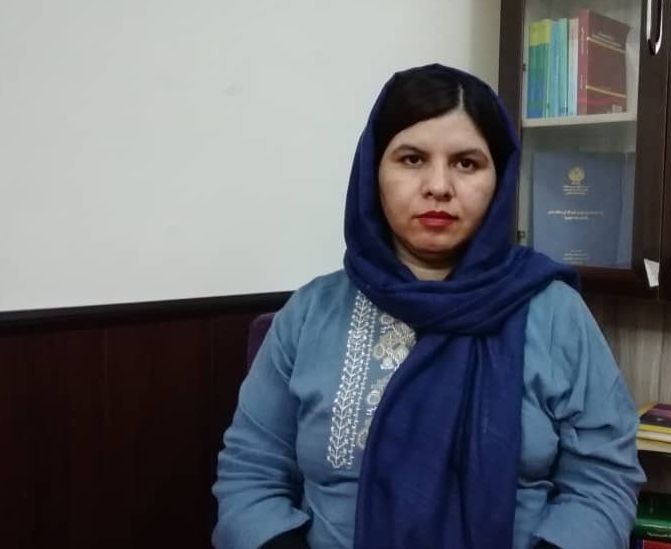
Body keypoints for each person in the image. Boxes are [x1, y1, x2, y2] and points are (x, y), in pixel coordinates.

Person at [212, 64, 645, 549]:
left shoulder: (554, 312)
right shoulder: (311, 313)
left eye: (466, 163)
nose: (439, 186)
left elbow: (603, 482)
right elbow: (251, 471)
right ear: (373, 170)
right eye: (412, 158)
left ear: (499, 180)